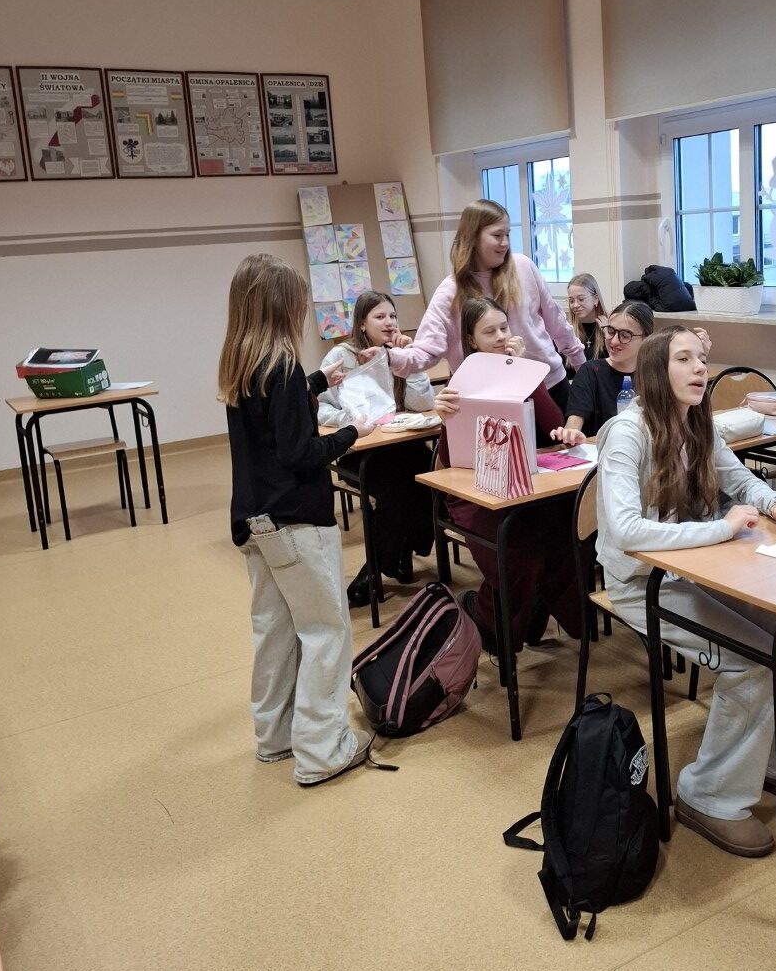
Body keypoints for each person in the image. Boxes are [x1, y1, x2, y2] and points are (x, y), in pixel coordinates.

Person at [595, 326, 776, 858]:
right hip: (641, 583)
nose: (700, 367)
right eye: (684, 359)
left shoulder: (696, 423)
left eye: (701, 358)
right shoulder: (627, 433)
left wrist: (772, 503)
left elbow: (739, 481)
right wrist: (721, 529)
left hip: (691, 569)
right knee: (751, 664)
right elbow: (627, 532)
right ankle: (708, 794)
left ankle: (774, 761)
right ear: (656, 371)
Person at [217, 253, 377, 787]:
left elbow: (272, 417)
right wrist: (353, 434)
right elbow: (299, 453)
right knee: (326, 630)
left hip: (255, 522)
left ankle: (275, 736)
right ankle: (322, 750)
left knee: (276, 630)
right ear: (283, 307)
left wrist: (316, 381)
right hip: (296, 523)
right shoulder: (282, 366)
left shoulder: (241, 365)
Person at [433, 297, 587, 651]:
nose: (501, 336)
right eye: (490, 332)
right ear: (472, 340)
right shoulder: (460, 380)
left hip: (524, 484)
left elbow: (555, 427)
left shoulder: (525, 371)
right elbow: (451, 459)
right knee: (519, 557)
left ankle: (549, 613)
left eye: (504, 327)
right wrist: (445, 419)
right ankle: (493, 627)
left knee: (567, 541)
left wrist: (524, 373)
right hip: (476, 489)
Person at [386, 199, 585, 414]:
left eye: (507, 234)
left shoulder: (523, 267)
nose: (505, 243)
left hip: (547, 385)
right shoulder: (450, 292)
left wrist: (582, 369)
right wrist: (390, 357)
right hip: (489, 397)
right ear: (473, 237)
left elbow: (556, 322)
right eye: (497, 235)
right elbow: (426, 350)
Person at [316, 290, 437, 608]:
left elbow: (422, 404)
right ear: (362, 323)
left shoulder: (398, 352)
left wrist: (411, 363)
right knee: (396, 490)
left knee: (431, 476)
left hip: (401, 444)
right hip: (360, 450)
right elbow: (320, 408)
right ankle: (376, 568)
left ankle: (403, 550)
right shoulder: (341, 356)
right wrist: (350, 421)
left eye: (393, 316)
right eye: (380, 316)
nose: (389, 322)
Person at [551, 301, 655, 445]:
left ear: (646, 339)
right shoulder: (590, 372)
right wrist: (570, 434)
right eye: (611, 331)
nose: (614, 341)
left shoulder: (656, 375)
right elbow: (573, 424)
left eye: (625, 335)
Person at [566, 273, 608, 362]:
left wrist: (608, 335)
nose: (575, 305)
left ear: (595, 299)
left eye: (581, 299)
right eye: (571, 301)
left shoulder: (609, 326)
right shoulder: (567, 329)